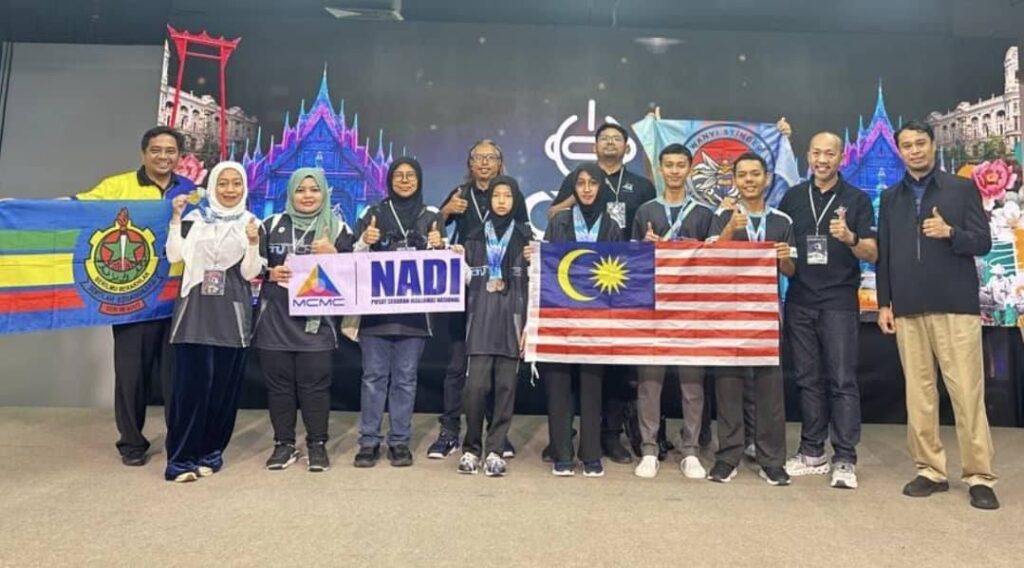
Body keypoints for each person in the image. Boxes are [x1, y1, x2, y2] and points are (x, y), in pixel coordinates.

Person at [877, 120, 999, 510]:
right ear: (899, 151)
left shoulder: (961, 188)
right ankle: (930, 470)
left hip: (955, 306)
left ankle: (979, 476)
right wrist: (884, 302)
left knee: (966, 393)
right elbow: (884, 254)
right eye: (907, 145)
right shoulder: (890, 197)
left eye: (920, 143)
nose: (914, 150)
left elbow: (983, 242)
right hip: (908, 307)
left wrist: (950, 233)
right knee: (919, 394)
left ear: (932, 145)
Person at [76, 126, 197, 466]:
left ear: (179, 156)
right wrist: (20, 210)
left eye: (170, 151)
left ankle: (179, 442)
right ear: (143, 153)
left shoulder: (192, 192)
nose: (163, 157)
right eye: (156, 150)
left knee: (177, 377)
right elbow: (76, 207)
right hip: (132, 299)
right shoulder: (117, 186)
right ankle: (131, 444)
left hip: (177, 298)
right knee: (131, 376)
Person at [548, 122, 656, 464]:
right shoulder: (577, 180)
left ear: (626, 146)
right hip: (569, 292)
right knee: (568, 368)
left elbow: (646, 228)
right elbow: (554, 215)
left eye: (616, 138)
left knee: (612, 368)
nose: (610, 143)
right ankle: (563, 438)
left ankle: (609, 436)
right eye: (604, 138)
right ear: (594, 146)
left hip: (615, 287)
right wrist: (581, 190)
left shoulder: (640, 185)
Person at [778, 132, 877, 489]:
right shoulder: (792, 198)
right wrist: (780, 259)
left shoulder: (857, 199)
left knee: (842, 381)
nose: (822, 160)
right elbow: (787, 257)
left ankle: (845, 458)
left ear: (841, 158)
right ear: (808, 156)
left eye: (830, 154)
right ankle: (812, 452)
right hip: (800, 300)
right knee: (807, 380)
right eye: (817, 153)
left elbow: (872, 252)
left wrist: (851, 238)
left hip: (839, 302)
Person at [163, 161, 265, 482]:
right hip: (195, 310)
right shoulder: (194, 219)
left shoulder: (252, 222)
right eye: (223, 183)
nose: (230, 190)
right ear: (212, 187)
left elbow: (250, 272)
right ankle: (180, 459)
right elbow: (174, 256)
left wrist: (252, 242)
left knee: (222, 390)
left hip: (231, 313)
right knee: (189, 389)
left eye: (236, 183)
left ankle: (210, 452)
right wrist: (176, 218)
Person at [253, 168, 355, 472]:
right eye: (300, 190)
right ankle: (283, 445)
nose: (307, 196)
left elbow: (354, 279)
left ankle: (317, 444)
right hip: (275, 320)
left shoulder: (338, 228)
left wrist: (334, 254)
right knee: (279, 387)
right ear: (290, 193)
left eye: (314, 189)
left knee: (315, 387)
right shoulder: (270, 224)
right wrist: (269, 273)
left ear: (324, 193)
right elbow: (251, 267)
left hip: (317, 324)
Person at [430, 140, 523, 460]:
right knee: (459, 366)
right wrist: (445, 212)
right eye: (478, 157)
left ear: (500, 162)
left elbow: (525, 238)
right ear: (470, 163)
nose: (484, 162)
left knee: (499, 373)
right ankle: (450, 431)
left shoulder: (510, 195)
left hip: (503, 298)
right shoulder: (459, 194)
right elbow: (433, 231)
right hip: (468, 291)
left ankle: (496, 435)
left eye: (491, 157)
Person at [706, 152, 795, 486]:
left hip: (767, 314)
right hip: (729, 313)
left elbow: (791, 270)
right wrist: (730, 229)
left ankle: (771, 459)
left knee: (770, 389)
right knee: (728, 385)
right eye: (742, 175)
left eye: (755, 174)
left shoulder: (782, 220)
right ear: (734, 180)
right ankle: (728, 455)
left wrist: (784, 259)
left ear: (766, 178)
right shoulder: (722, 216)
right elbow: (710, 260)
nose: (749, 180)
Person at [630, 143, 715, 479]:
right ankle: (649, 448)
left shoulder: (704, 213)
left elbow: (713, 263)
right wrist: (646, 249)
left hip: (691, 309)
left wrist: (693, 249)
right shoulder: (645, 210)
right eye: (669, 165)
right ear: (660, 169)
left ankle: (690, 450)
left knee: (692, 384)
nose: (675, 171)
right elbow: (631, 264)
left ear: (690, 168)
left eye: (681, 165)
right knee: (649, 383)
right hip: (653, 307)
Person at [352, 157, 443, 468]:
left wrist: (438, 246)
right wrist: (364, 241)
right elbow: (351, 258)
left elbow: (444, 266)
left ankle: (399, 442)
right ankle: (368, 442)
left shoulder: (431, 215)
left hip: (415, 315)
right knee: (373, 378)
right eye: (399, 175)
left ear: (419, 180)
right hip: (375, 313)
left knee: (405, 379)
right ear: (389, 180)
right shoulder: (373, 213)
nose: (404, 180)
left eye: (410, 175)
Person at [542, 162, 623, 477]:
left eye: (593, 183)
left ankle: (591, 453)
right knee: (559, 385)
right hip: (560, 314)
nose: (587, 189)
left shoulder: (612, 225)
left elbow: (620, 271)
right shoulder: (560, 221)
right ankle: (561, 452)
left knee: (592, 386)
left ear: (601, 187)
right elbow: (547, 266)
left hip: (597, 316)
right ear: (573, 188)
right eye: (581, 183)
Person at [456, 176, 532, 476]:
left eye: (507, 196)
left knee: (505, 388)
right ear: (489, 200)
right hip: (481, 321)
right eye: (497, 195)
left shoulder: (525, 237)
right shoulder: (474, 236)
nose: (501, 201)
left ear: (516, 200)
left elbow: (537, 283)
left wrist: (535, 259)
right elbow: (463, 280)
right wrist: (455, 260)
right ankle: (471, 448)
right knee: (475, 389)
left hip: (512, 321)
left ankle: (496, 450)